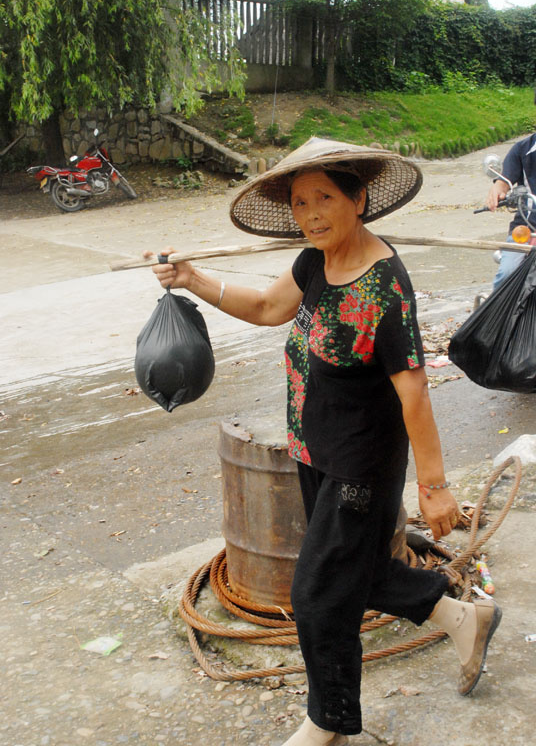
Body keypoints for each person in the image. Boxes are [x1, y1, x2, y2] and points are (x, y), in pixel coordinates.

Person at [146, 138, 502, 746]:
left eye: (325, 198)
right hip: (313, 453)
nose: (310, 214)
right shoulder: (314, 263)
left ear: (359, 199)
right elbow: (263, 306)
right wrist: (192, 278)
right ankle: (462, 617)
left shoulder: (383, 289)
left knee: (314, 595)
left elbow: (415, 391)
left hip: (360, 468)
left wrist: (436, 489)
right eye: (300, 202)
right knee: (351, 572)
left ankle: (327, 721)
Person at [486, 130, 536, 289]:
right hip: (527, 228)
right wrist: (497, 189)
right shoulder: (522, 149)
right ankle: (496, 313)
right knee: (507, 275)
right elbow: (504, 180)